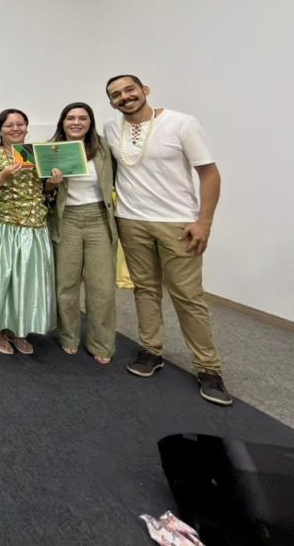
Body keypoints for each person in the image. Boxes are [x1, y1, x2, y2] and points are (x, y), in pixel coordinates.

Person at [104, 74, 230, 406]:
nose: (124, 97)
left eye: (130, 89)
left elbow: (209, 174)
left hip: (178, 223)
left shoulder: (182, 124)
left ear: (144, 90)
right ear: (112, 103)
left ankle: (208, 368)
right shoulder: (111, 129)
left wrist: (204, 222)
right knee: (145, 289)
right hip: (131, 221)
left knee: (188, 296)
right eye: (116, 95)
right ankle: (151, 350)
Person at [0, 109, 56, 355]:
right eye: (9, 125)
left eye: (20, 124)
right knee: (1, 281)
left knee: (27, 282)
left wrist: (52, 183)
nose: (16, 129)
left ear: (27, 127)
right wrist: (2, 176)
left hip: (33, 229)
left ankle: (18, 330)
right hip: (1, 229)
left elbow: (44, 192)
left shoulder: (37, 155)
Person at [45, 102, 118, 365]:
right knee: (66, 283)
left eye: (82, 118)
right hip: (67, 219)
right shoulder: (51, 149)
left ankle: (102, 342)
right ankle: (69, 336)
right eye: (71, 118)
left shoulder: (104, 148)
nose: (76, 122)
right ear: (62, 122)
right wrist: (51, 184)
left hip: (99, 219)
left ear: (90, 122)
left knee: (102, 286)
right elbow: (43, 192)